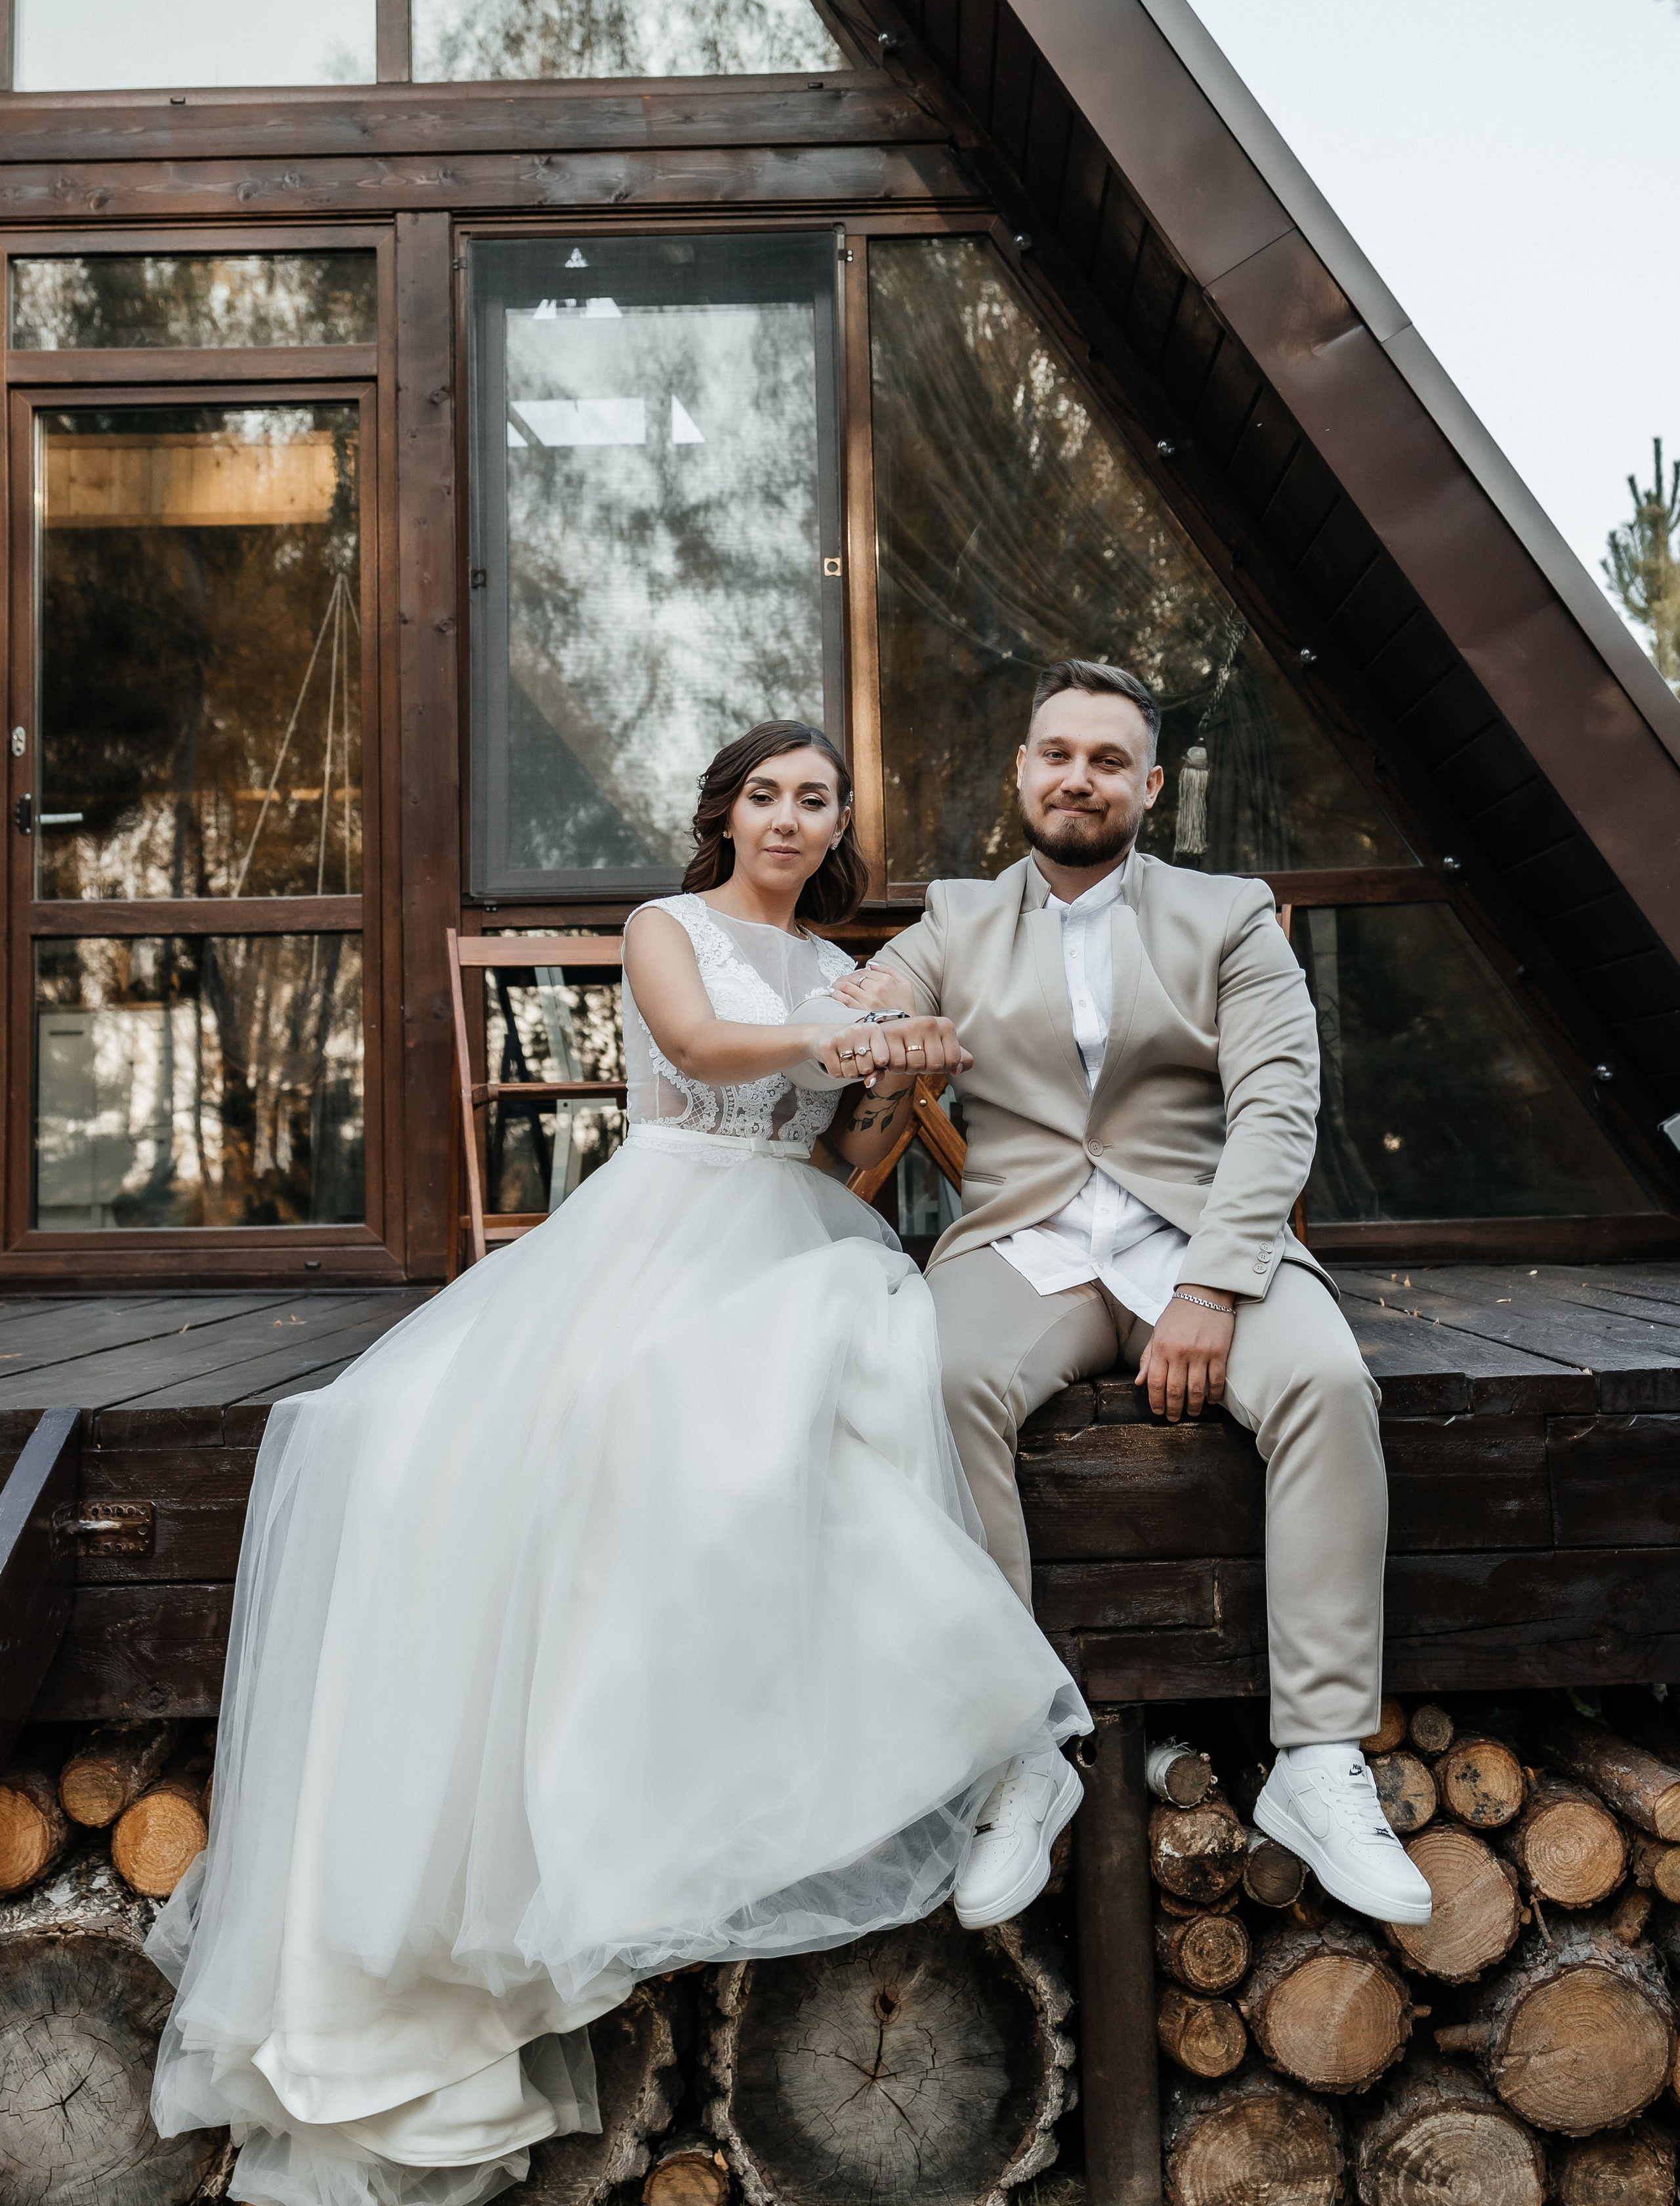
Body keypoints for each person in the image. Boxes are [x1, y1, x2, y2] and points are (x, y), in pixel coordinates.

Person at [147, 718, 1089, 2206]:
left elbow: (840, 1163)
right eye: (766, 795)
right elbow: (708, 1052)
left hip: (793, 1224)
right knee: (424, 1436)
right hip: (656, 1228)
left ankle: (944, 1736)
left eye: (817, 799)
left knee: (844, 1353)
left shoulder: (849, 965)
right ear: (723, 813)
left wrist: (891, 1085)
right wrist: (838, 1034)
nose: (790, 818)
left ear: (841, 821)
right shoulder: (671, 930)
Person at [820, 661, 1431, 1926]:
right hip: (1026, 1247)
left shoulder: (1232, 916)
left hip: (1197, 1242)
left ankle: (1317, 1761)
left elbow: (1277, 1108)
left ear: (1149, 786)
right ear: (1022, 775)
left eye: (1108, 760)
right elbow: (870, 1009)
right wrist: (866, 1016)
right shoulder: (956, 917)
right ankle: (1018, 1754)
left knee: (1323, 1380)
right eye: (1057, 754)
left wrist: (1215, 1282)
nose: (1078, 778)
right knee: (932, 1380)